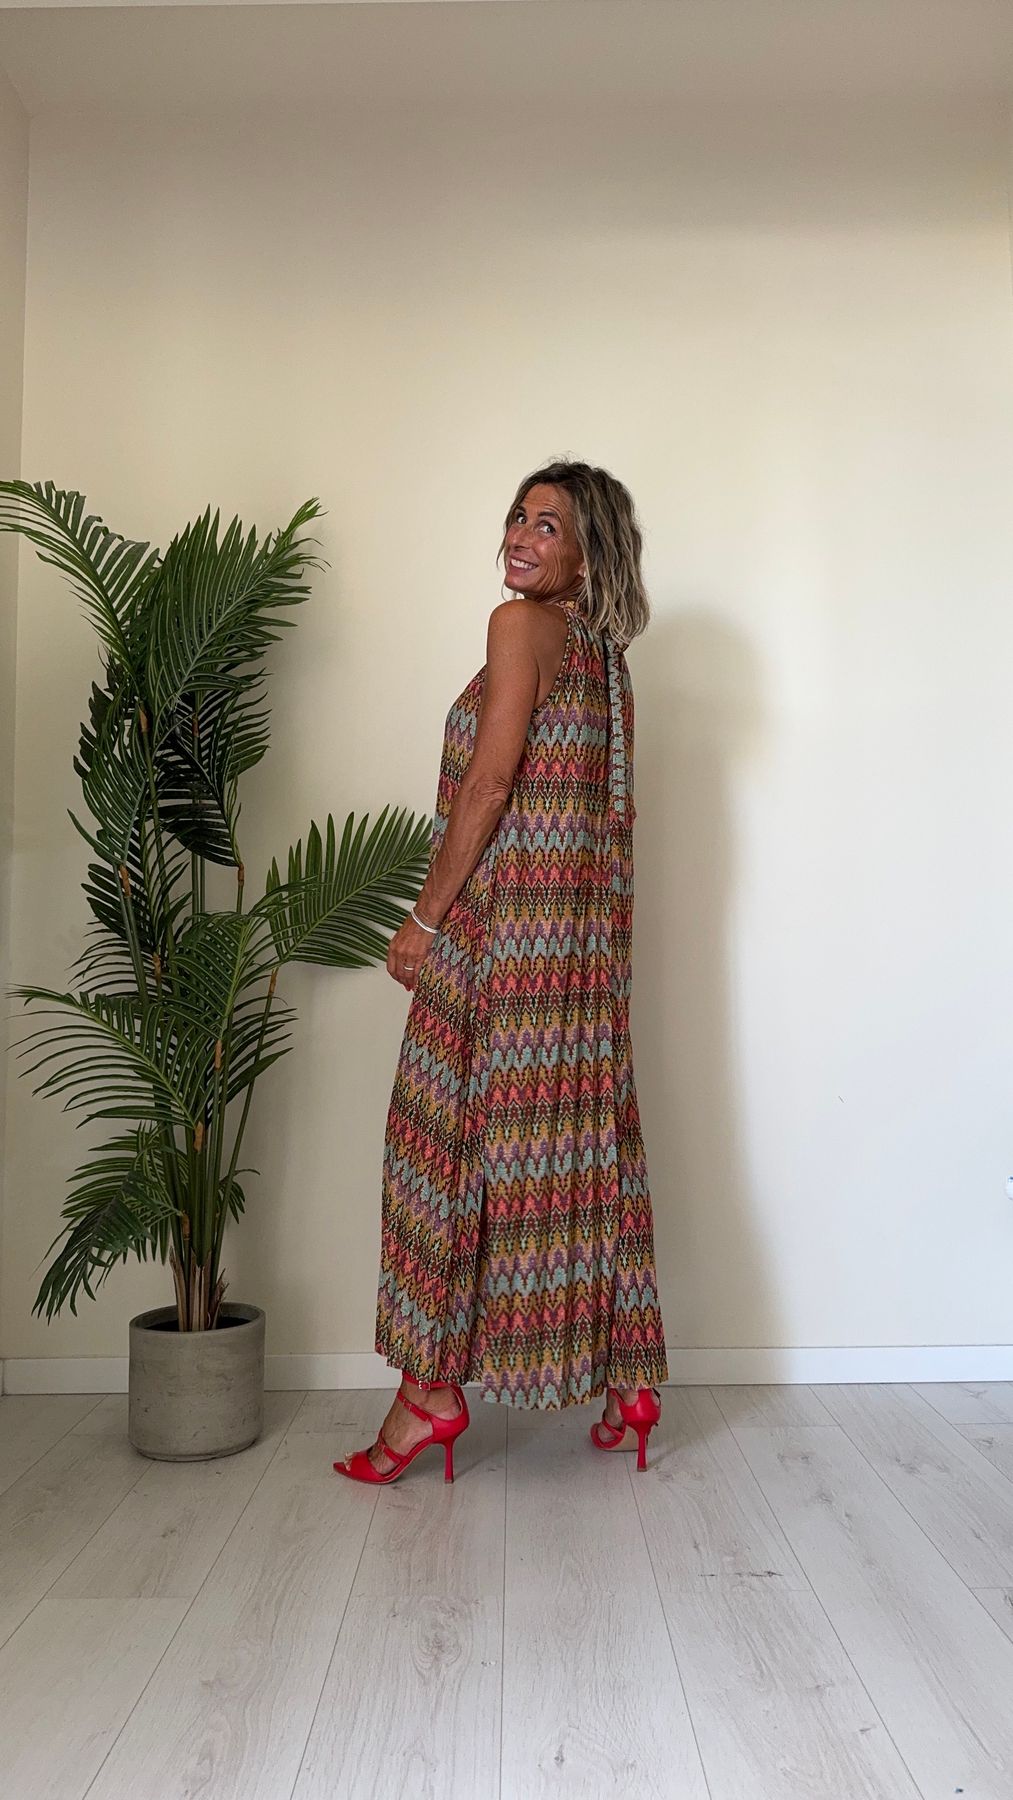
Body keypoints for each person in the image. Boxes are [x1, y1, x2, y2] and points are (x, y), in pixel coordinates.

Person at [334, 459, 668, 1485]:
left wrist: (423, 920)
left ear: (588, 555)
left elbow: (487, 785)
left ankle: (427, 1398)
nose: (522, 536)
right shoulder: (605, 659)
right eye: (519, 517)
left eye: (549, 525)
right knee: (577, 1145)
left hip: (498, 938)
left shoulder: (519, 627)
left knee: (437, 1151)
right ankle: (628, 1381)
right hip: (578, 959)